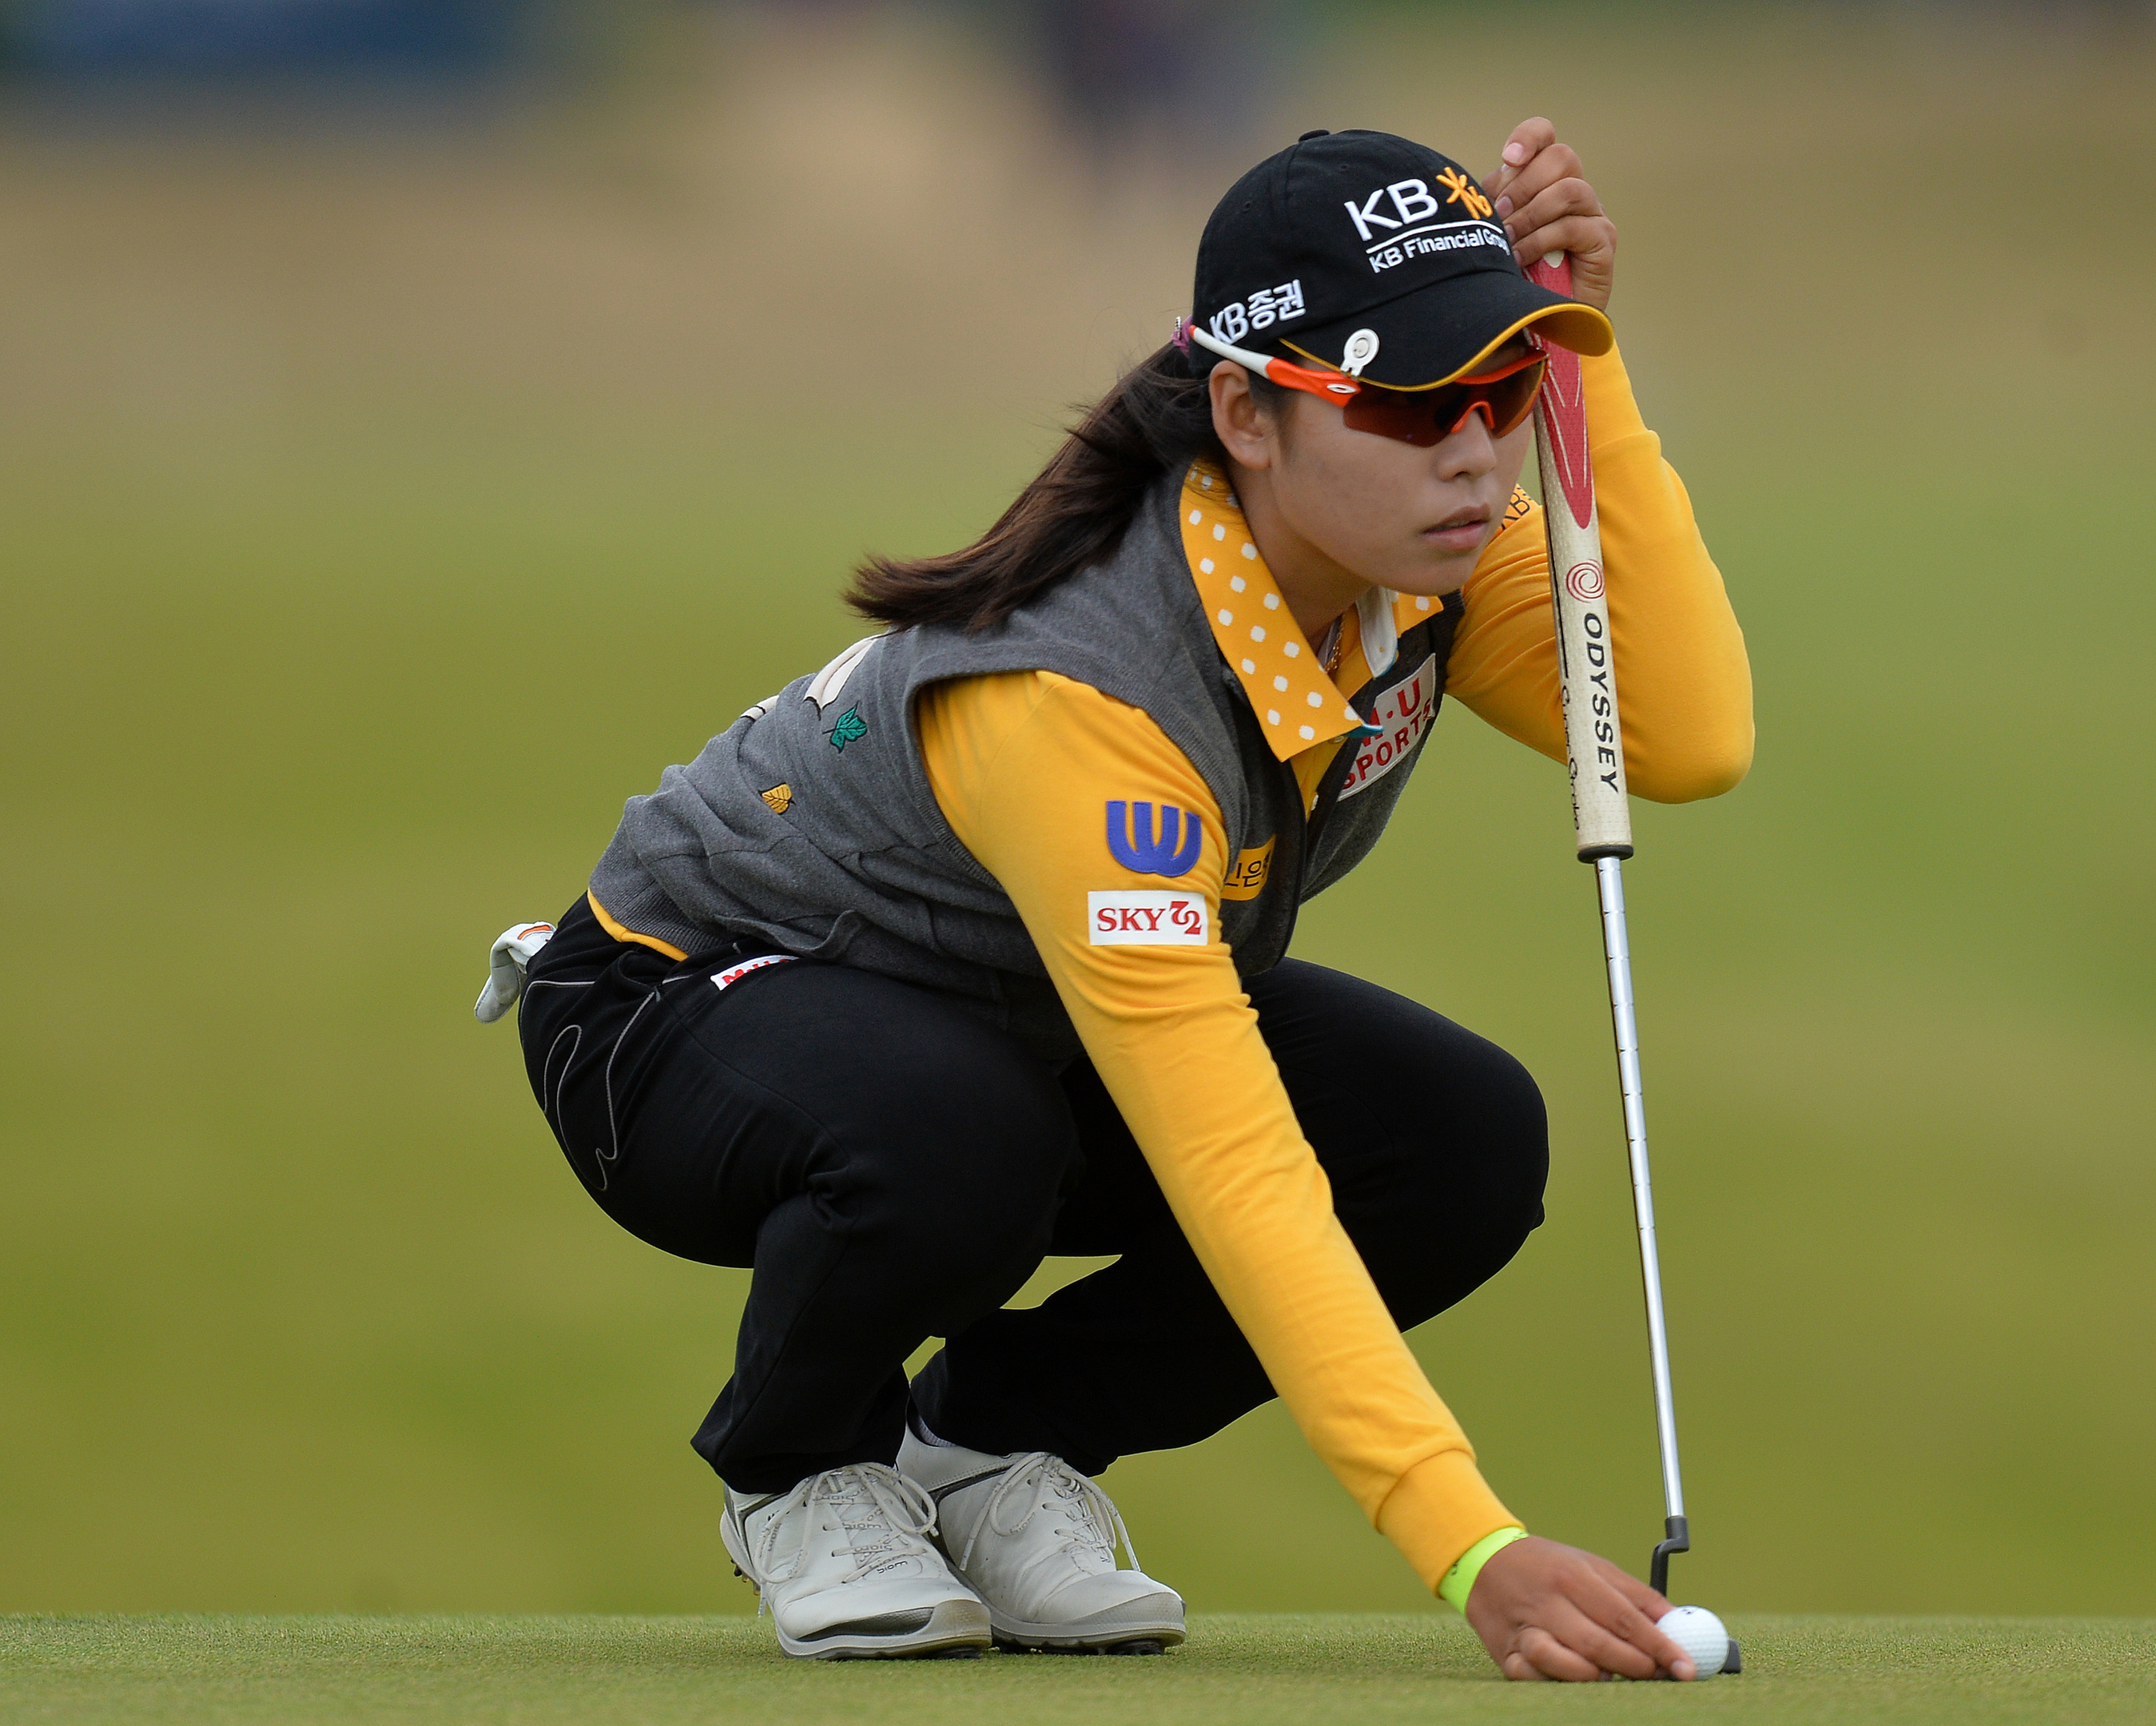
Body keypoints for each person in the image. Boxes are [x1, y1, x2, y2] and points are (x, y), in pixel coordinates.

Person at [483, 120, 1752, 1680]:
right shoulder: (1088, 692)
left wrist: (1587, 372)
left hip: (1009, 1009)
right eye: (1413, 400)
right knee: (965, 1146)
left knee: (1462, 1143)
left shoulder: (1416, 561)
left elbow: (1683, 732)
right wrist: (1469, 1544)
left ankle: (986, 1449)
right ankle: (803, 1469)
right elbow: (1233, 1164)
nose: (1473, 451)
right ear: (1248, 413)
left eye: (1498, 391)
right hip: (681, 1010)